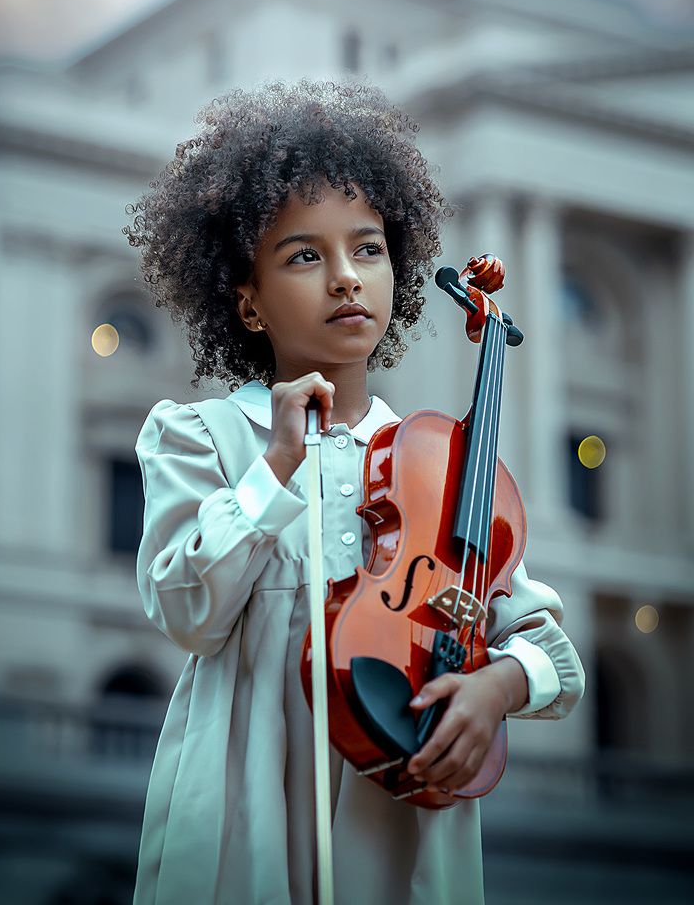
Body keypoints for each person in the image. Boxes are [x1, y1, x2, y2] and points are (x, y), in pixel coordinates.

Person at [124, 78, 586, 905]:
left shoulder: (440, 463)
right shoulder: (201, 436)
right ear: (247, 301)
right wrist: (275, 469)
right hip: (248, 798)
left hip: (395, 800)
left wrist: (496, 687)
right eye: (305, 255)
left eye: (367, 249)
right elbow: (187, 613)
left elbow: (550, 649)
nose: (345, 278)